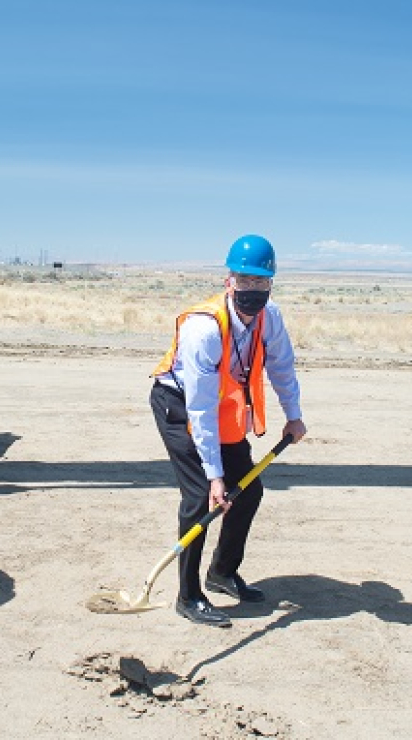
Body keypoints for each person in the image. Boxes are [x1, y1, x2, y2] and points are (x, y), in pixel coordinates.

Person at [150, 234, 308, 628]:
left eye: (260, 282)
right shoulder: (204, 329)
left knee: (249, 490)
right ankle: (187, 596)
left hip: (220, 407)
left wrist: (294, 415)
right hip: (178, 404)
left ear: (271, 283)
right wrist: (215, 475)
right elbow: (198, 408)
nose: (252, 290)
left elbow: (282, 367)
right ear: (228, 281)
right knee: (203, 495)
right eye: (244, 280)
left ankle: (221, 572)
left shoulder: (270, 317)